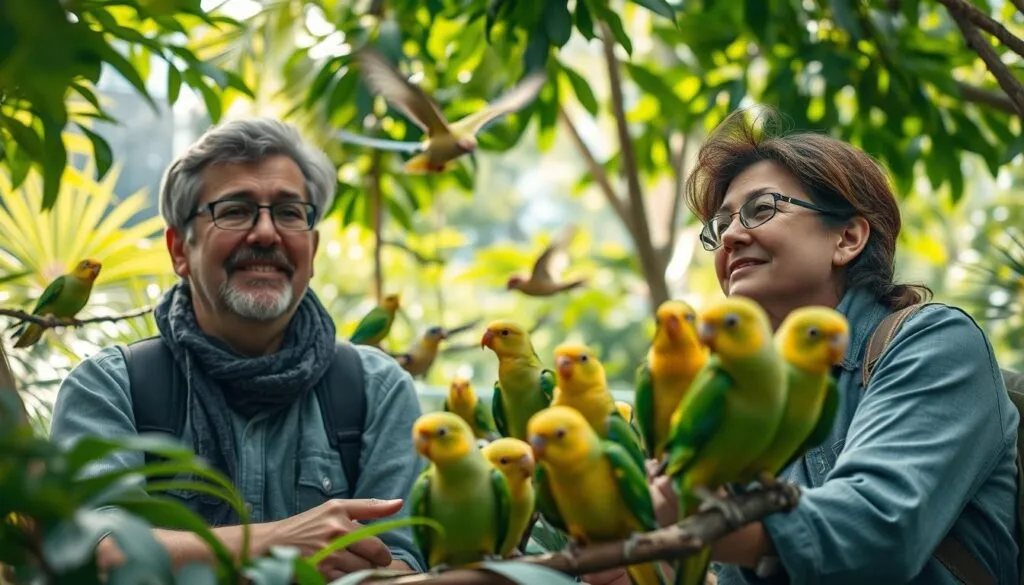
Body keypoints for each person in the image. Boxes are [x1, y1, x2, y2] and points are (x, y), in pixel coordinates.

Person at [647, 107, 1019, 585]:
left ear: (847, 237)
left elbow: (880, 529)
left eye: (761, 209)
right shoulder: (750, 397)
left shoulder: (934, 343)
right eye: (719, 227)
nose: (732, 237)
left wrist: (703, 526)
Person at [48, 117, 426, 579]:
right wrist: (280, 542)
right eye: (234, 210)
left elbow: (400, 565)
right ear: (179, 250)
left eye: (290, 213)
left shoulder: (377, 391)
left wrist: (176, 552)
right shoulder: (111, 388)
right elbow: (92, 553)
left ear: (312, 246)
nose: (266, 233)